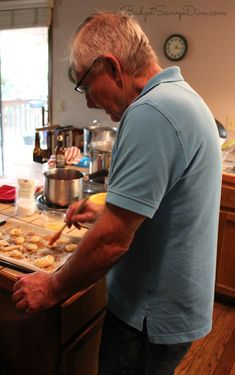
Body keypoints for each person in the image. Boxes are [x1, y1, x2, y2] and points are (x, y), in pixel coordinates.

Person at [12, 11, 222, 375]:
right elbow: (165, 200)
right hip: (175, 306)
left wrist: (52, 289)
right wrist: (108, 210)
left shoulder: (151, 112)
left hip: (148, 316)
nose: (90, 102)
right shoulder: (180, 97)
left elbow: (112, 242)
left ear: (112, 66)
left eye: (85, 86)